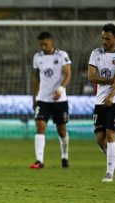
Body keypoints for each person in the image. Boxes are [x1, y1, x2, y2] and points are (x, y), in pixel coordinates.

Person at [87, 23, 115, 182]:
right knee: (100, 138)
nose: (104, 41)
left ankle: (109, 173)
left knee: (111, 135)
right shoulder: (95, 53)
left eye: (107, 38)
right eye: (102, 38)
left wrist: (111, 95)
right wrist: (109, 80)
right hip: (100, 101)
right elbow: (91, 77)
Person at [30, 32, 71, 169]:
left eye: (45, 44)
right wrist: (34, 97)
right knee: (40, 127)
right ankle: (39, 160)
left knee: (61, 130)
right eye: (41, 44)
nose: (43, 46)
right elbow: (35, 78)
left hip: (59, 100)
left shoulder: (61, 55)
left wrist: (60, 89)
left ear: (51, 42)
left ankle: (64, 156)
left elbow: (68, 74)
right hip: (43, 99)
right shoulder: (37, 57)